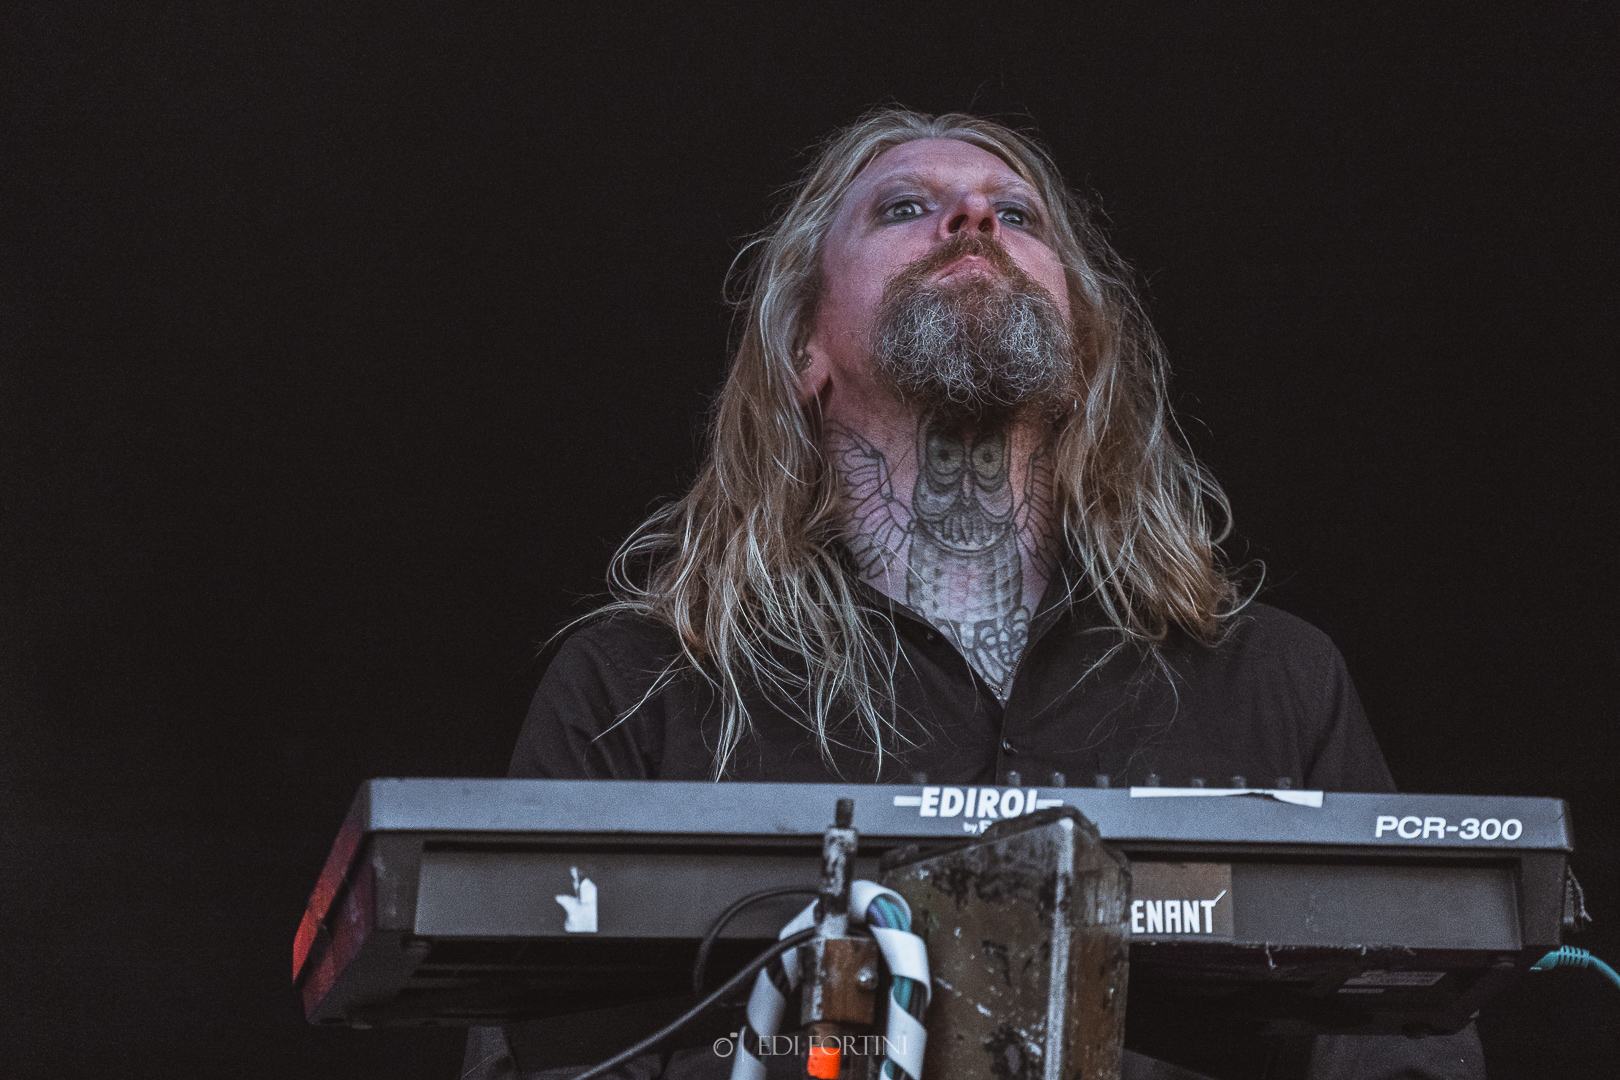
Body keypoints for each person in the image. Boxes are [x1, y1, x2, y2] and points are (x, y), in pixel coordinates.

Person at [463, 110, 1484, 1080]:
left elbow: (1402, 1046)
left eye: (1019, 214)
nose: (973, 218)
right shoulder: (640, 688)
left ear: (1079, 358)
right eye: (905, 207)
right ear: (804, 347)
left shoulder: (1273, 682)